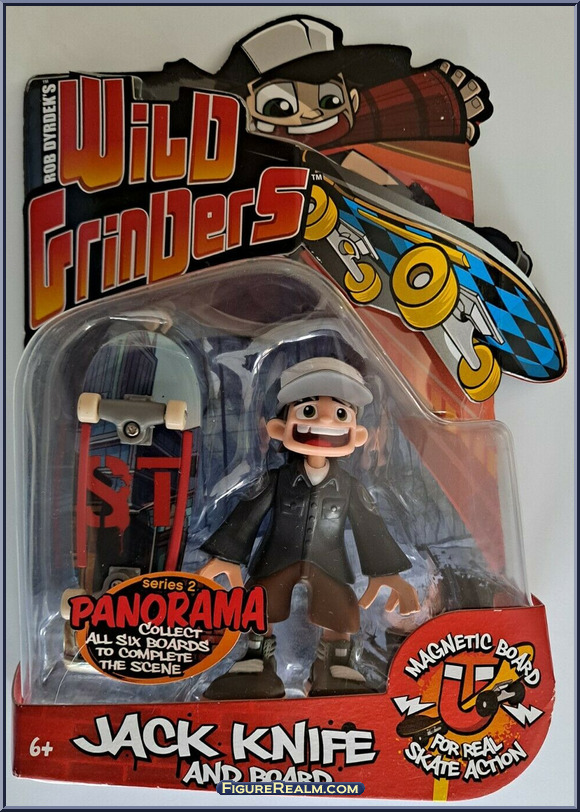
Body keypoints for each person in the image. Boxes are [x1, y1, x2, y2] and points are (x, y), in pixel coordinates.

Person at [197, 357, 419, 699]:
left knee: (341, 607)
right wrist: (226, 555)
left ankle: (335, 664)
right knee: (260, 601)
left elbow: (370, 526)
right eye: (310, 411)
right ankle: (255, 659)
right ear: (278, 429)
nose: (326, 421)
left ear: (359, 435)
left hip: (329, 561)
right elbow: (247, 515)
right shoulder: (276, 480)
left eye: (341, 414)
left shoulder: (349, 487)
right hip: (276, 557)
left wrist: (386, 571)